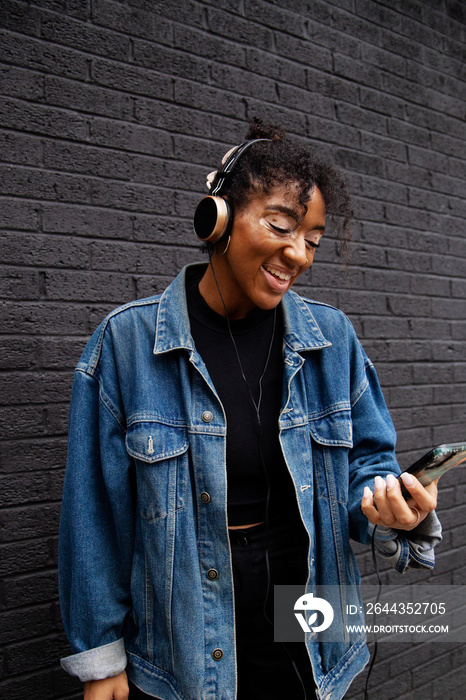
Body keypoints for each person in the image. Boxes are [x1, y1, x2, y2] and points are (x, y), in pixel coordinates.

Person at [59, 119, 441, 700]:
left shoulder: (331, 339)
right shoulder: (127, 344)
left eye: (312, 241)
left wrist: (391, 507)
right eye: (282, 227)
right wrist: (101, 657)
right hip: (190, 631)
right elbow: (93, 517)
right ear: (218, 219)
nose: (298, 254)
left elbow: (369, 466)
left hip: (313, 617)